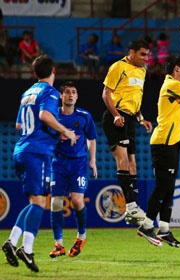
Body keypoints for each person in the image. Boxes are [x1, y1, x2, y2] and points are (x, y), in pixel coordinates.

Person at [1, 55, 76, 272]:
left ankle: (12, 241)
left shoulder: (27, 93)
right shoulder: (49, 92)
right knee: (39, 203)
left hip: (22, 149)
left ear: (34, 73)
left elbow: (18, 124)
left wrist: (51, 132)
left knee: (36, 201)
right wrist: (64, 131)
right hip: (37, 152)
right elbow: (44, 115)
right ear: (53, 70)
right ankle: (27, 249)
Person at [137, 56, 180, 247]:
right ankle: (146, 225)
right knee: (163, 186)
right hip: (163, 142)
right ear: (177, 69)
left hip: (173, 142)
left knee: (169, 187)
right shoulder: (172, 84)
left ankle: (164, 229)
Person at [101, 39, 153, 227]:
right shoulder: (118, 66)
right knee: (122, 159)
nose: (146, 58)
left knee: (133, 164)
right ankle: (130, 206)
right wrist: (115, 115)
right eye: (142, 54)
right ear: (131, 52)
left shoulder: (142, 71)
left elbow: (135, 101)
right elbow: (106, 93)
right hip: (117, 116)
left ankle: (133, 209)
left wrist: (141, 119)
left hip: (130, 118)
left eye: (147, 55)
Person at [49, 81, 98, 259]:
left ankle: (81, 236)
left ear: (77, 96)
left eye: (74, 92)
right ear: (61, 96)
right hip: (58, 164)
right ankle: (58, 244)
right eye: (67, 92)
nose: (71, 95)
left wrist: (92, 161)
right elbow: (45, 138)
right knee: (55, 203)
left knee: (77, 201)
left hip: (78, 163)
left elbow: (91, 139)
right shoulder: (52, 116)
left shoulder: (84, 116)